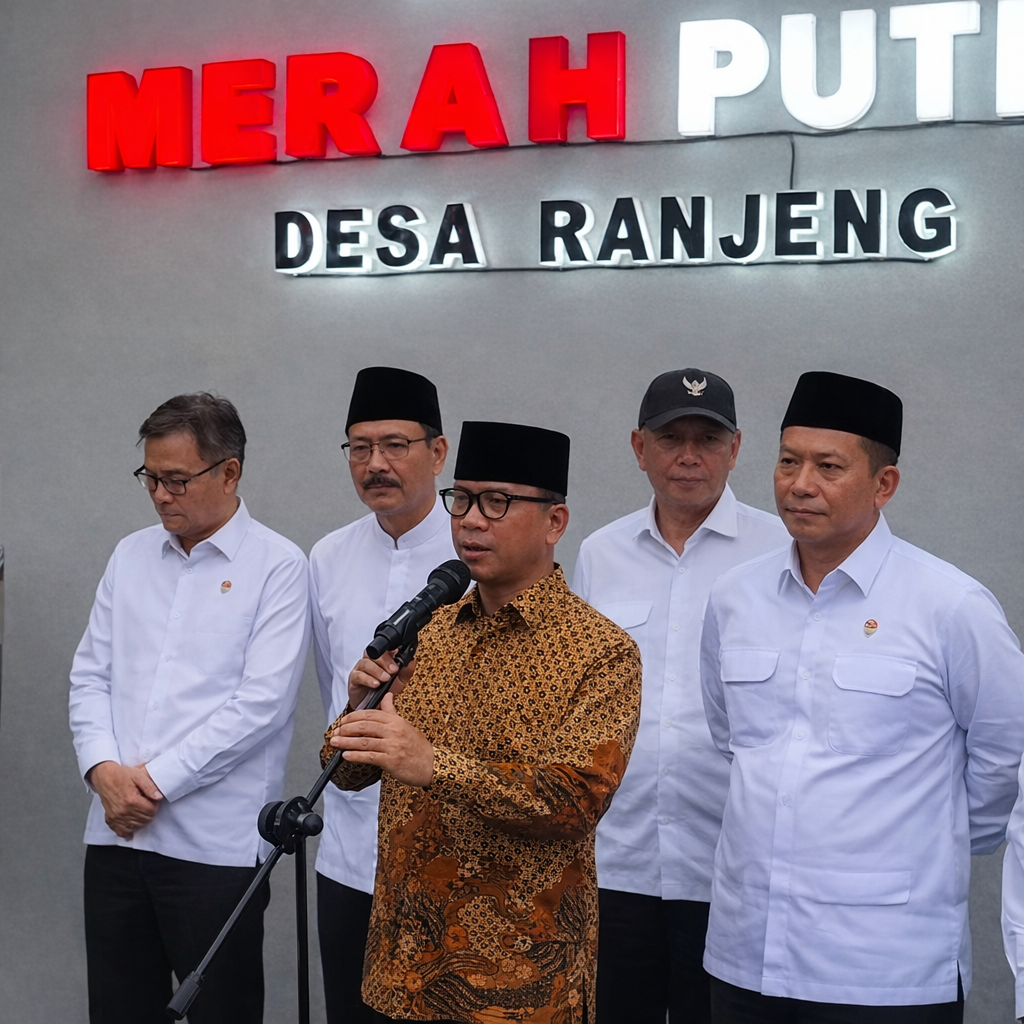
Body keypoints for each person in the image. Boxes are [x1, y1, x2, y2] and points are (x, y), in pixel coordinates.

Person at [700, 371, 1024, 1023]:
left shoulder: (949, 605)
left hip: (885, 966)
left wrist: (930, 837)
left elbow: (1006, 760)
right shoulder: (736, 597)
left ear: (884, 484)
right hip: (745, 952)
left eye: (828, 466)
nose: (800, 484)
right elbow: (731, 739)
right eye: (788, 461)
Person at [321, 420, 642, 1023]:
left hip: (514, 989)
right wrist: (356, 711)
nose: (470, 520)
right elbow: (342, 774)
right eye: (462, 499)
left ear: (554, 522)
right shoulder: (428, 629)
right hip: (400, 971)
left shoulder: (600, 652)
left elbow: (574, 803)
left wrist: (433, 764)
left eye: (497, 502)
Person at [68, 393, 311, 1024]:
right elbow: (90, 676)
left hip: (215, 849)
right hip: (116, 835)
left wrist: (148, 784)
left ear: (229, 472)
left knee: (220, 1013)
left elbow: (260, 704)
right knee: (117, 1011)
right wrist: (103, 772)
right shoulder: (130, 555)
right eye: (150, 478)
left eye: (176, 480)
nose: (160, 495)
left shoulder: (279, 566)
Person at [572, 368, 787, 1024]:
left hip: (731, 866)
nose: (689, 455)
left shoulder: (781, 552)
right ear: (640, 447)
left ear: (736, 448)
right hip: (616, 861)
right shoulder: (600, 553)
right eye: (671, 438)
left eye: (708, 439)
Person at [311, 366, 455, 1024]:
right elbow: (332, 693)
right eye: (360, 447)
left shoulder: (476, 554)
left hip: (449, 861)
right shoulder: (328, 556)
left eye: (396, 445)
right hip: (348, 855)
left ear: (438, 452)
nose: (376, 464)